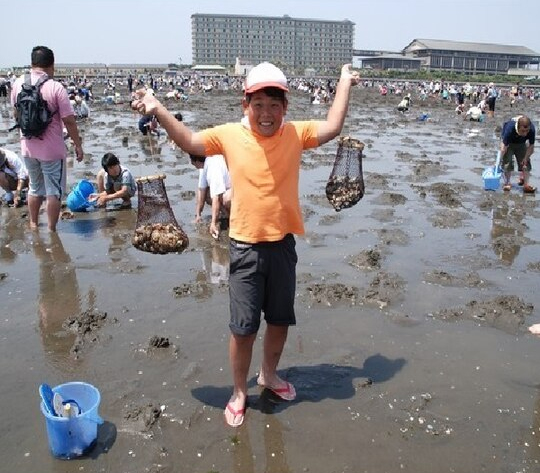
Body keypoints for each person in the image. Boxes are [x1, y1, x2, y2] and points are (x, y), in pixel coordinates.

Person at [132, 61, 360, 427]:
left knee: (281, 320)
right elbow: (190, 141)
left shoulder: (296, 134)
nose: (266, 114)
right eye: (259, 105)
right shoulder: (228, 135)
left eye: (274, 105)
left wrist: (345, 82)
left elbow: (332, 127)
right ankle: (239, 391)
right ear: (246, 106)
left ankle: (269, 375)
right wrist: (157, 108)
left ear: (285, 108)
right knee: (243, 328)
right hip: (244, 247)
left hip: (283, 244)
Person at [10, 46, 84, 231]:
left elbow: (15, 114)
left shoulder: (18, 83)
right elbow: (69, 120)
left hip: (27, 146)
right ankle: (52, 229)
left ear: (32, 63)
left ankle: (33, 224)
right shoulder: (55, 87)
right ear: (52, 65)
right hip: (51, 149)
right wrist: (78, 144)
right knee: (54, 191)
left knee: (35, 187)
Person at [191, 153, 232, 239]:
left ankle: (233, 217)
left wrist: (213, 223)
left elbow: (216, 196)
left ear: (197, 161)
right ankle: (226, 214)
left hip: (239, 190)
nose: (192, 164)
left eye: (192, 162)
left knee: (224, 198)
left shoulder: (212, 167)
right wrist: (198, 214)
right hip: (228, 188)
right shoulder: (205, 166)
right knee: (208, 194)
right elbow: (201, 190)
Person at [499, 115, 535, 193]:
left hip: (521, 143)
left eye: (527, 131)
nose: (525, 134)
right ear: (518, 127)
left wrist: (525, 158)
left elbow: (531, 146)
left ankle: (526, 184)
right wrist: (500, 158)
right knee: (507, 162)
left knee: (526, 163)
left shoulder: (531, 129)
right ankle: (507, 182)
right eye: (523, 131)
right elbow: (504, 146)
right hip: (509, 143)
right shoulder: (510, 128)